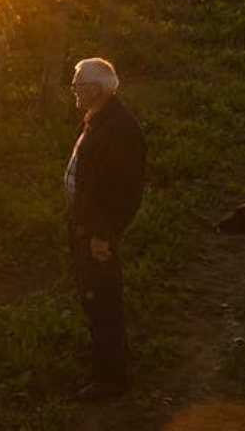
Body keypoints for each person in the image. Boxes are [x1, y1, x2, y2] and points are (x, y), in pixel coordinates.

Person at [64, 57, 146, 401]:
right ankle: (108, 359)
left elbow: (123, 192)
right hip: (86, 226)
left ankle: (112, 378)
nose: (73, 91)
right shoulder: (101, 120)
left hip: (97, 232)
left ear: (96, 90)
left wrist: (102, 234)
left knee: (103, 300)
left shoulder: (119, 130)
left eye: (78, 85)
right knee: (94, 297)